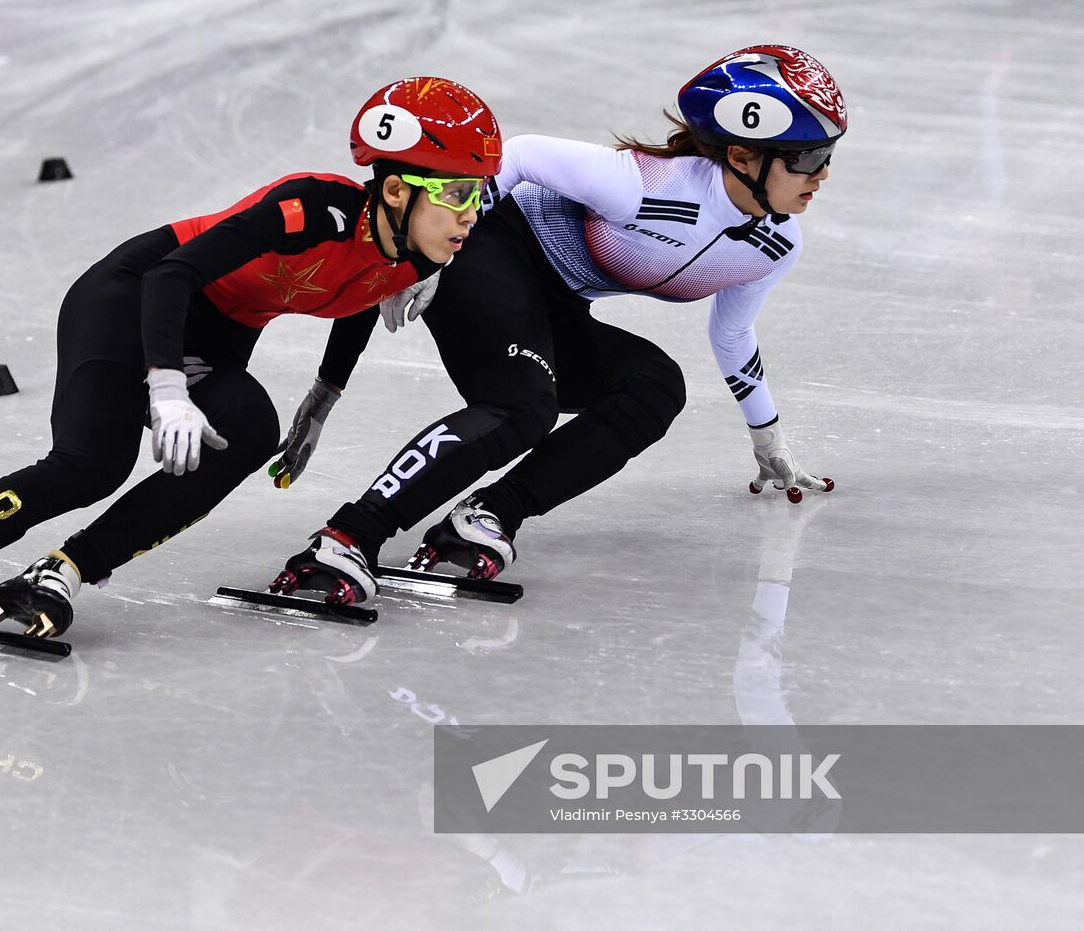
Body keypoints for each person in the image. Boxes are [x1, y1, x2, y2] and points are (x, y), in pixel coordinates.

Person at [0, 76, 502, 664]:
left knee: (245, 430)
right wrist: (164, 388)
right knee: (89, 465)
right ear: (396, 191)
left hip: (216, 333)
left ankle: (60, 571)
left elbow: (362, 292)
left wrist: (323, 396)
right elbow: (173, 272)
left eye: (479, 195)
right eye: (459, 195)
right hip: (136, 293)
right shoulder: (311, 208)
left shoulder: (418, 254)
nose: (471, 214)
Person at [268, 46, 844, 605]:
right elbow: (517, 156)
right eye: (808, 157)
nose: (820, 175)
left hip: (556, 302)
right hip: (493, 246)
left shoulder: (774, 245)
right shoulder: (644, 183)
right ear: (743, 156)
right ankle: (349, 536)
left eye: (827, 156)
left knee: (654, 387)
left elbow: (733, 334)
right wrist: (430, 259)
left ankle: (489, 516)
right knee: (524, 405)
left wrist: (766, 436)